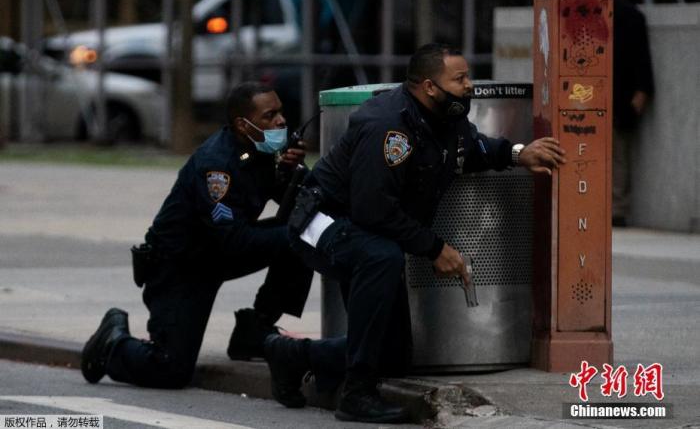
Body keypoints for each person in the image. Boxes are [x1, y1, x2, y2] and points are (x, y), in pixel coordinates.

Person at [262, 43, 567, 423]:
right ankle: (356, 394)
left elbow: (468, 149)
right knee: (381, 256)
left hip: (362, 226)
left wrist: (518, 154)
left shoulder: (445, 118)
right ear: (429, 86)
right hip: (320, 220)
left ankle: (292, 356)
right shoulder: (388, 126)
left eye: (468, 76)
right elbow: (373, 209)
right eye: (459, 79)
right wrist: (436, 248)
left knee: (393, 355)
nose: (469, 85)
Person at [81, 81, 313, 389]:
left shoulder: (261, 151)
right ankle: (113, 343)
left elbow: (302, 201)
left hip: (216, 253)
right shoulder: (217, 166)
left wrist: (294, 172)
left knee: (308, 231)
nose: (281, 121)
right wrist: (291, 232)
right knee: (170, 369)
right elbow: (237, 241)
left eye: (280, 112)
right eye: (270, 116)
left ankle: (253, 332)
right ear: (243, 125)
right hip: (180, 267)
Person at [612, 0, 654, 227]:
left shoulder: (629, 18)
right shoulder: (629, 17)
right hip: (614, 100)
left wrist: (632, 108)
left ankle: (616, 210)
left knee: (617, 156)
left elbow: (643, 75)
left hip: (619, 102)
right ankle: (614, 209)